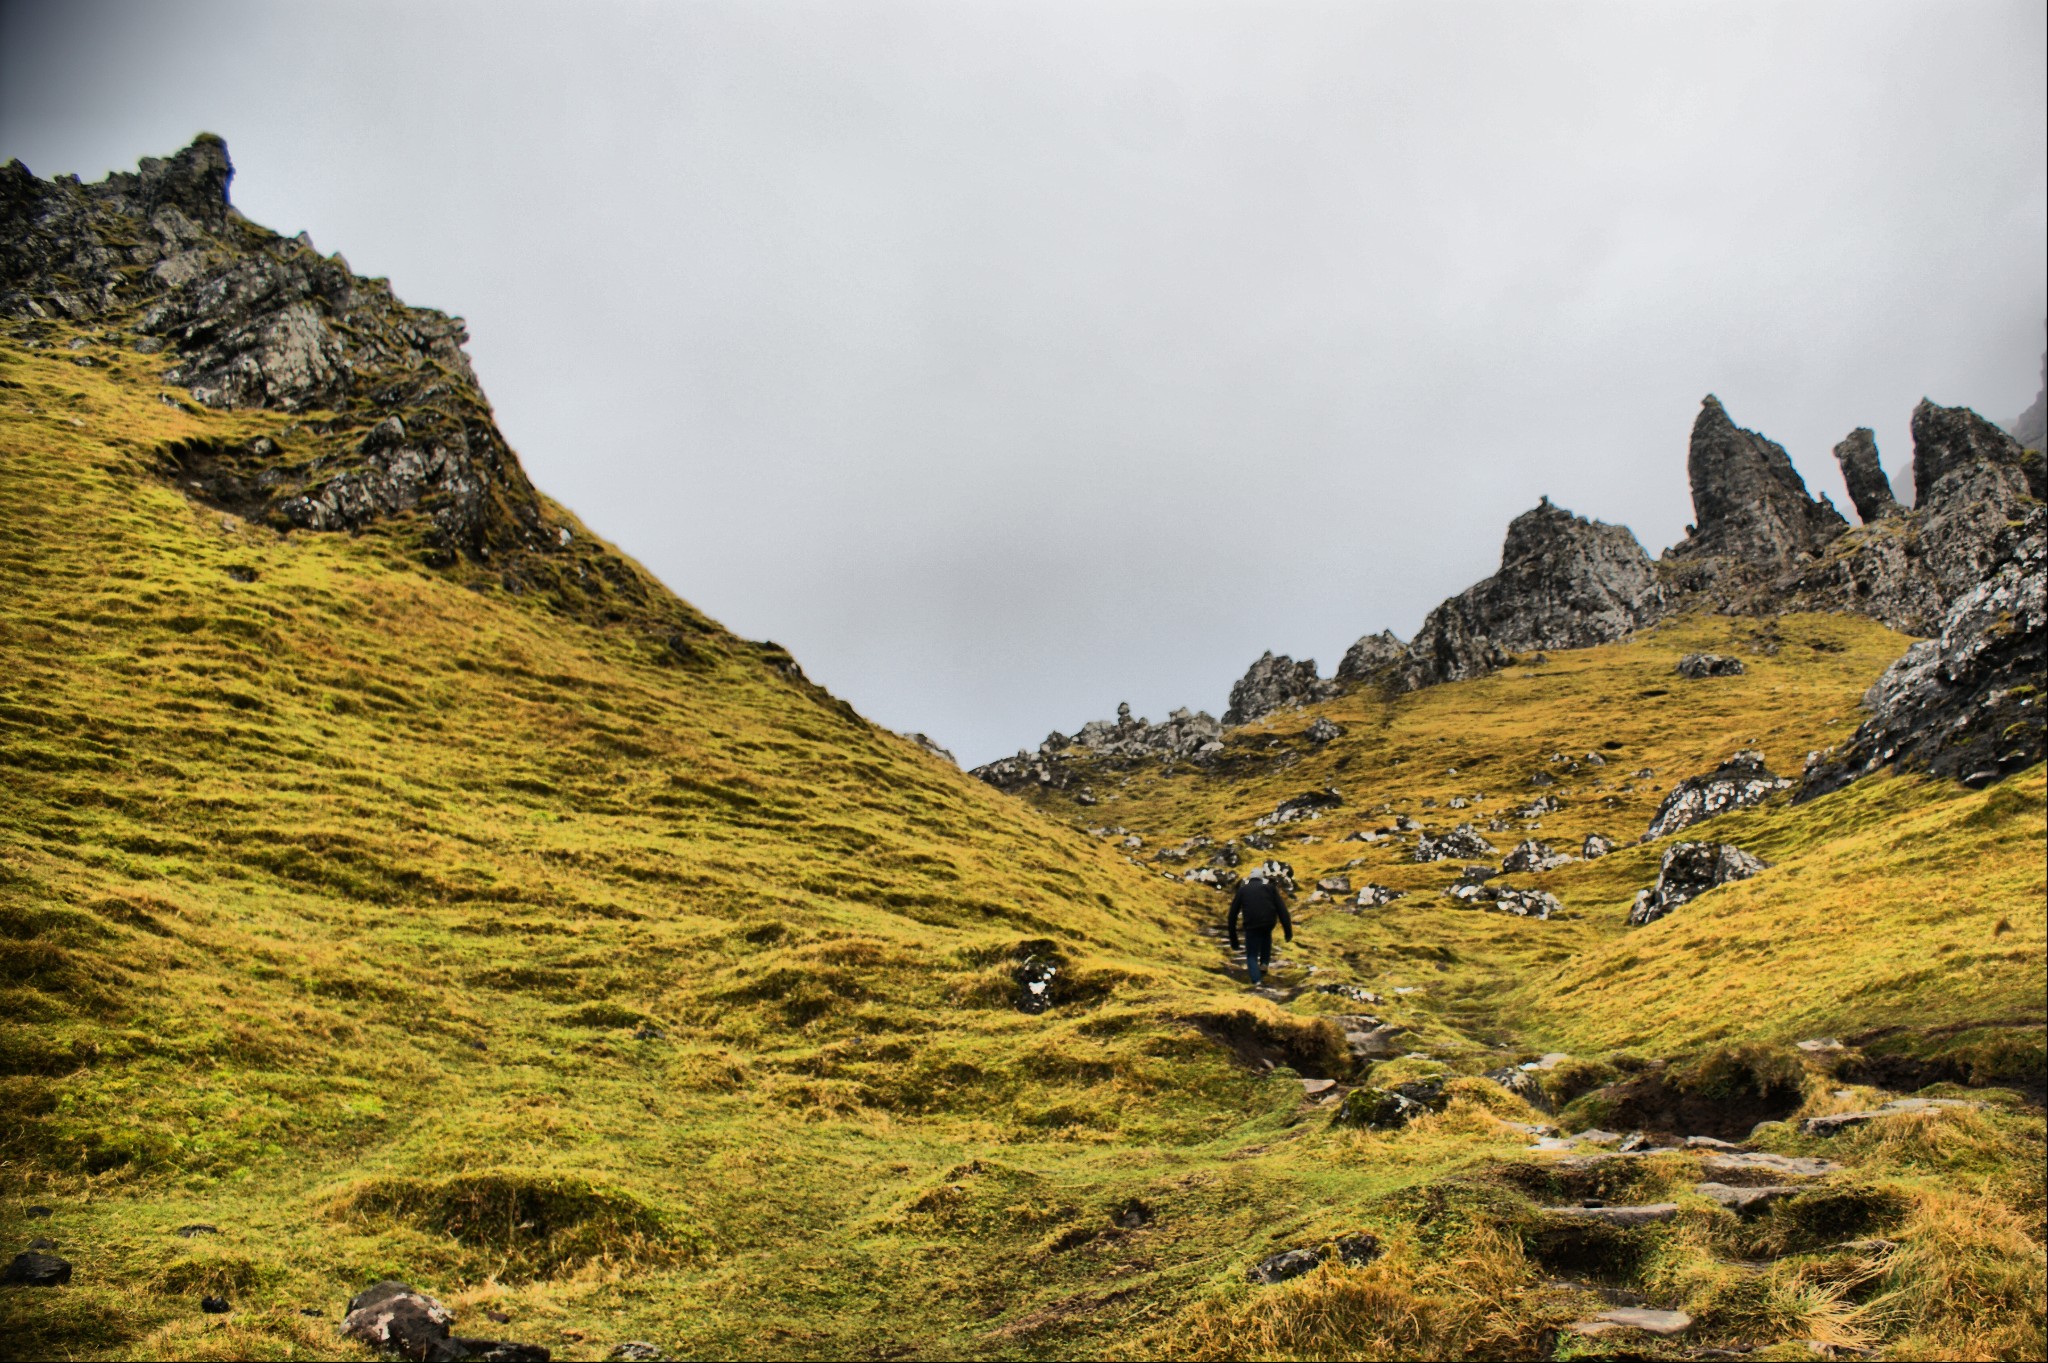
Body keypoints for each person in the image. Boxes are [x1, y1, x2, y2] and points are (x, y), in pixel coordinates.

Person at [1227, 863, 1293, 988]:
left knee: (1251, 954)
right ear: (1261, 878)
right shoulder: (1270, 888)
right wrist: (1288, 931)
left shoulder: (1243, 890)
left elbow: (1232, 915)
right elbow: (1282, 910)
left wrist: (1233, 939)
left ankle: (1256, 980)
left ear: (1250, 878)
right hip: (1268, 923)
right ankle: (1264, 963)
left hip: (1251, 926)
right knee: (1266, 936)